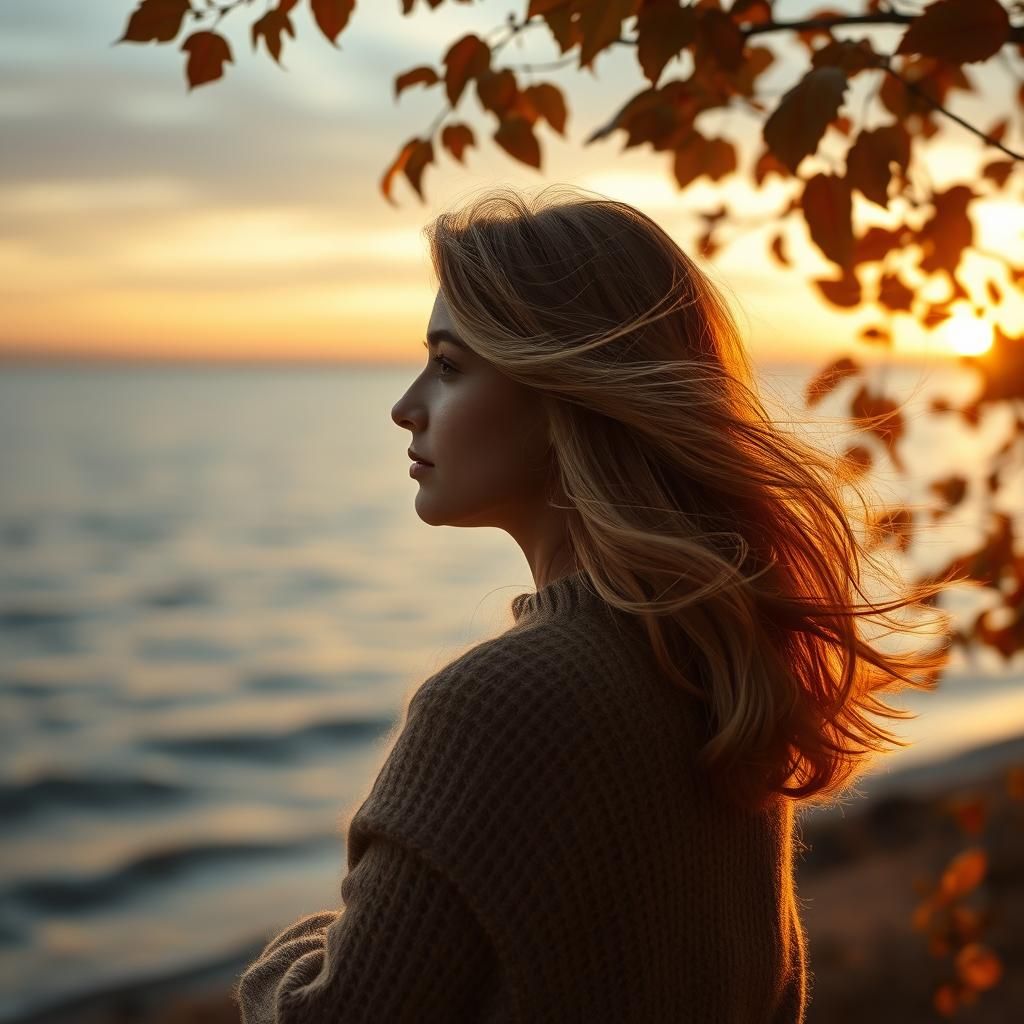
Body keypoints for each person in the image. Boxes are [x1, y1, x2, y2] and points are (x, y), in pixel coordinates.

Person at [235, 183, 954, 1023]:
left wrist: (289, 959)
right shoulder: (717, 667)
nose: (407, 408)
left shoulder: (498, 707)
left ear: (565, 394)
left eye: (449, 366)